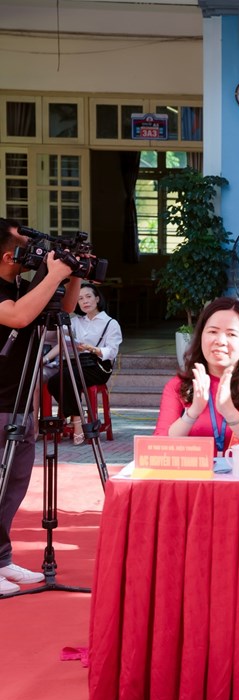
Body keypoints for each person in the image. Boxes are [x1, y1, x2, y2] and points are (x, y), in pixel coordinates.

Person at [0, 219, 81, 594]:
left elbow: (63, 309)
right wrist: (53, 273)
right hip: (1, 403)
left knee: (13, 487)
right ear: (7, 256)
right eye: (25, 245)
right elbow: (17, 316)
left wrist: (72, 275)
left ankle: (2, 560)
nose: (34, 252)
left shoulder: (22, 285)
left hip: (20, 401)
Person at [155, 297, 239, 449]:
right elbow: (158, 445)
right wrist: (192, 413)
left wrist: (230, 412)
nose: (220, 341)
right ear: (201, 336)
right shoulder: (179, 386)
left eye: (231, 334)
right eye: (213, 331)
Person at [44, 283, 123, 443]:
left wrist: (92, 349)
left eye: (88, 296)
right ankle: (78, 416)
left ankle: (77, 422)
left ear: (97, 299)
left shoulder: (110, 323)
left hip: (98, 367)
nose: (85, 301)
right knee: (53, 382)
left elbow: (112, 351)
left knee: (68, 377)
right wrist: (45, 359)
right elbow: (62, 342)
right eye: (80, 299)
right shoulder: (75, 321)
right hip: (78, 365)